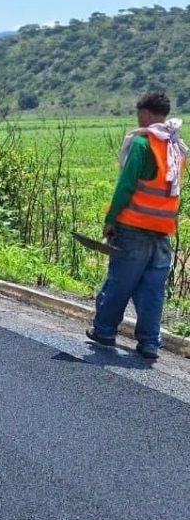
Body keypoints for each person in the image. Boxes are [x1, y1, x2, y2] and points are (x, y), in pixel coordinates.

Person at [86, 92, 186, 360]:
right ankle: (150, 343)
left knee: (120, 281)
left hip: (134, 227)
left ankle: (105, 331)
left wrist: (111, 219)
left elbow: (127, 185)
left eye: (138, 112)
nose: (137, 117)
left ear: (146, 113)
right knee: (153, 290)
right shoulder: (175, 147)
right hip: (162, 232)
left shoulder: (144, 144)